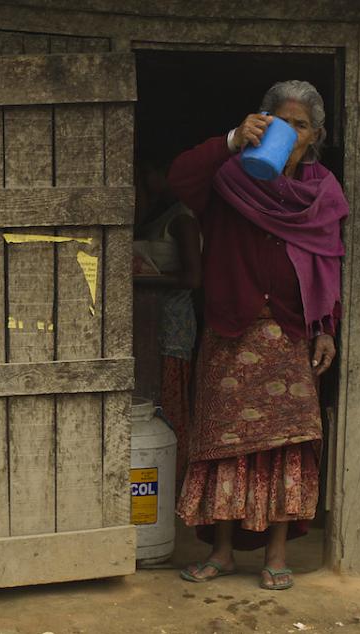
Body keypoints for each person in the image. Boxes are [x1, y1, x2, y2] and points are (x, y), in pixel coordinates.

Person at [168, 80, 347, 591]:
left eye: (301, 125)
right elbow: (179, 177)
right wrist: (231, 139)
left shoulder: (322, 192)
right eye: (281, 121)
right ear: (263, 124)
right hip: (230, 328)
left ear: (314, 138)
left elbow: (327, 264)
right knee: (225, 444)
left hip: (290, 335)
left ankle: (276, 554)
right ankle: (221, 553)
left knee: (287, 446)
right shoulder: (228, 177)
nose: (290, 133)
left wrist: (326, 329)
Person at [133, 156, 202, 468]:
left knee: (170, 400)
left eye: (149, 175)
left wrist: (149, 280)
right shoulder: (156, 215)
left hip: (173, 322)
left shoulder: (182, 219)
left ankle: (174, 477)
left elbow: (193, 278)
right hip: (150, 321)